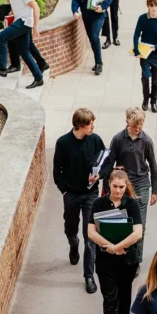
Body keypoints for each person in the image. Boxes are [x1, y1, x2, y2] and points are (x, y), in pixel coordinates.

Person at [88, 167, 143, 314]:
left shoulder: (132, 204)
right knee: (110, 303)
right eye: (115, 186)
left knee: (124, 295)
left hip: (127, 261)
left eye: (121, 186)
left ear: (125, 186)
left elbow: (137, 232)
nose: (118, 190)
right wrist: (110, 247)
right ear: (109, 185)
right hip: (106, 262)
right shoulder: (98, 204)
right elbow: (91, 232)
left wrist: (119, 246)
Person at [54, 108, 108, 295]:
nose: (93, 126)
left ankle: (88, 276)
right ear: (80, 125)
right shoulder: (63, 143)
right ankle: (73, 244)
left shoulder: (96, 140)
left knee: (90, 235)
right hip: (71, 194)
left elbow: (107, 161)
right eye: (90, 123)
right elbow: (57, 170)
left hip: (91, 194)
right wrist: (64, 191)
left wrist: (100, 175)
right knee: (71, 229)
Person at [104, 107, 157, 267]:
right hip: (124, 185)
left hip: (141, 183)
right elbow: (109, 163)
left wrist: (154, 190)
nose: (138, 128)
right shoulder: (118, 139)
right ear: (127, 122)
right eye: (135, 125)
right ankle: (123, 252)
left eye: (140, 125)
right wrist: (107, 189)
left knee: (139, 223)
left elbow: (153, 166)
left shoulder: (146, 140)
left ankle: (136, 260)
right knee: (122, 221)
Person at [72, 0, 113, 76]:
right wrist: (75, 10)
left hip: (98, 16)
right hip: (86, 16)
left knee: (95, 37)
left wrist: (103, 7)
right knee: (92, 40)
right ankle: (97, 61)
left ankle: (99, 63)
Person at [132, 0, 157, 113]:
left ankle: (153, 102)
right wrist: (136, 50)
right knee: (145, 77)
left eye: (156, 6)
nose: (154, 8)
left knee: (155, 81)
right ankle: (145, 99)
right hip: (145, 53)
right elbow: (136, 35)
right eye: (152, 6)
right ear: (148, 6)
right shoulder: (142, 19)